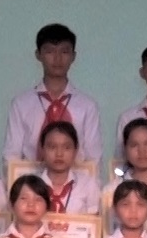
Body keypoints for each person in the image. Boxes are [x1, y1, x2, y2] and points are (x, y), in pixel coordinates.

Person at [6, 24, 103, 165]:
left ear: (73, 56)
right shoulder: (21, 104)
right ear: (38, 55)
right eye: (50, 51)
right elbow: (11, 157)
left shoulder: (88, 106)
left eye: (64, 51)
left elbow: (94, 159)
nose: (57, 58)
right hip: (31, 177)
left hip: (76, 178)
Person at [37, 122, 99, 217]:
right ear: (42, 150)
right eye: (52, 147)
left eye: (66, 147)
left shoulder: (88, 185)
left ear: (75, 150)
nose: (59, 154)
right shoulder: (30, 185)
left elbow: (95, 223)